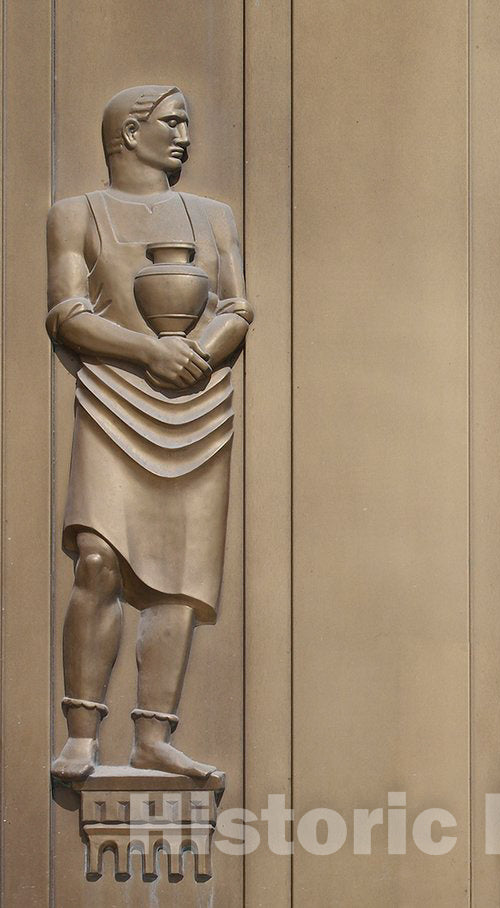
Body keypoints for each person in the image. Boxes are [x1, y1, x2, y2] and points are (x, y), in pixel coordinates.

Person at [47, 85, 253, 781]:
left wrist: (203, 350)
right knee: (99, 561)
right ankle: (81, 730)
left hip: (197, 404)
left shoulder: (214, 216)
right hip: (114, 394)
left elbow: (235, 305)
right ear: (130, 132)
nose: (186, 135)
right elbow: (68, 313)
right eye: (172, 122)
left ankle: (153, 737)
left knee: (177, 580)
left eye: (188, 122)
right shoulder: (77, 214)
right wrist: (148, 352)